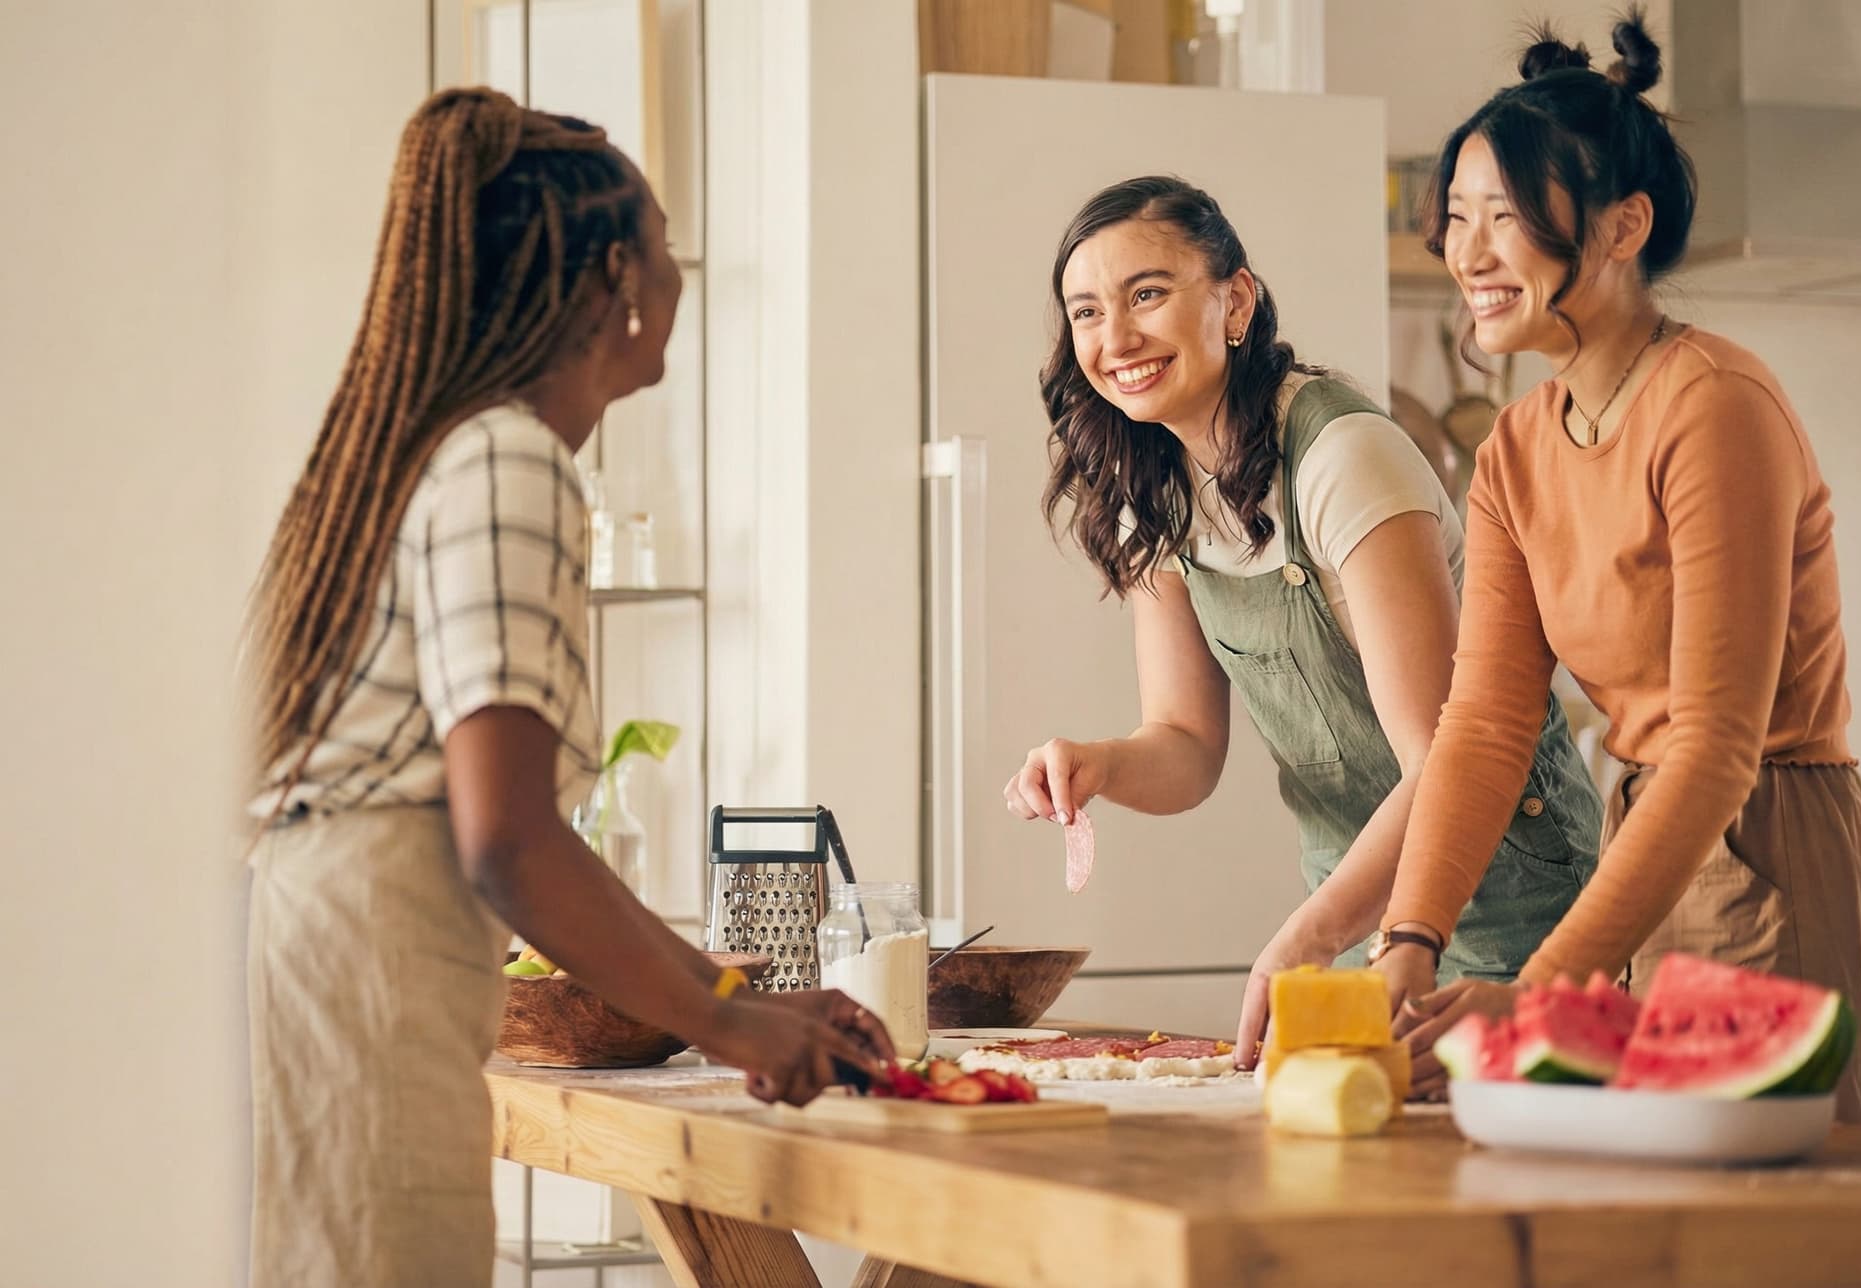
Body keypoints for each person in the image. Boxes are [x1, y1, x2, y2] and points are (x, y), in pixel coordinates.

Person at [242, 89, 891, 1287]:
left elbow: (514, 837)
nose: (679, 269)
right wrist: (730, 1025)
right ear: (615, 279)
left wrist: (743, 993)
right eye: (662, 238)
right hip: (369, 975)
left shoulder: (439, 449)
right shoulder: (509, 459)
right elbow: (514, 842)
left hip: (327, 954)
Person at [1374, 15, 1861, 1125]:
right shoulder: (1515, 449)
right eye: (1458, 218)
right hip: (1641, 859)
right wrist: (1407, 939)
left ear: (1624, 228)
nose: (1469, 254)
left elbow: (1714, 749)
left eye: (1508, 219)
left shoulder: (1714, 407)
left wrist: (1531, 995)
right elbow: (1482, 724)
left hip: (1774, 846)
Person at [1001, 176, 1602, 1069]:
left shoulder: (1340, 459)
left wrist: (1311, 934)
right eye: (1086, 312)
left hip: (1516, 901)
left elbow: (1440, 758)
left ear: (1235, 300)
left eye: (1148, 295)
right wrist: (1102, 765)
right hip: (1364, 922)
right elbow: (1186, 744)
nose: (1115, 338)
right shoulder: (1152, 488)